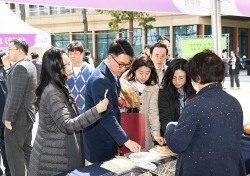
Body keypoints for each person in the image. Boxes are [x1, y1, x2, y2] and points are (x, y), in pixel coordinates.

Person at [28, 48, 109, 176]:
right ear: (54, 68)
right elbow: (67, 125)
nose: (69, 67)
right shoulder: (52, 92)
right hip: (52, 159)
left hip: (59, 153)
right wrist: (96, 110)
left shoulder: (59, 84)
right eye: (64, 65)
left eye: (68, 63)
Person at [165, 50, 246, 176]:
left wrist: (170, 126)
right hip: (230, 169)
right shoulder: (234, 102)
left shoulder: (195, 104)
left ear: (197, 76)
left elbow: (177, 144)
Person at [83, 38, 141, 163]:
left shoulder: (110, 72)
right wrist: (126, 140)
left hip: (108, 136)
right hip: (99, 138)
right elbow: (105, 115)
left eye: (127, 65)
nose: (123, 68)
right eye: (121, 64)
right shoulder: (100, 79)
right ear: (110, 58)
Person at [2, 39, 37, 176]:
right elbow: (13, 86)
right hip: (26, 116)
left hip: (17, 119)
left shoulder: (20, 67)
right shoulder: (28, 65)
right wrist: (7, 68)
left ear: (20, 51)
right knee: (27, 151)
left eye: (10, 49)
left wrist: (9, 118)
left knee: (14, 155)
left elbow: (15, 96)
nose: (7, 52)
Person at [122, 54, 164, 150]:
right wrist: (125, 105)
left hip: (144, 131)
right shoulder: (124, 83)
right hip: (127, 129)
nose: (144, 76)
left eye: (147, 73)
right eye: (141, 72)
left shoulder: (153, 88)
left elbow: (153, 112)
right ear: (134, 70)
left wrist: (156, 134)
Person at [158, 58, 196, 136]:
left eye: (181, 78)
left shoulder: (195, 91)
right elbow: (165, 119)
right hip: (173, 135)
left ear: (188, 77)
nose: (177, 82)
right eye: (174, 78)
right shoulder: (164, 93)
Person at [67, 41, 94, 113]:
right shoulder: (65, 69)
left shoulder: (90, 69)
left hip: (86, 111)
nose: (72, 56)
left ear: (82, 54)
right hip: (69, 111)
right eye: (70, 53)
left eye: (75, 53)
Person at [0, 51, 11, 176]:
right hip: (5, 116)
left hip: (4, 116)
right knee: (5, 147)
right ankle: (9, 171)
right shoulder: (8, 73)